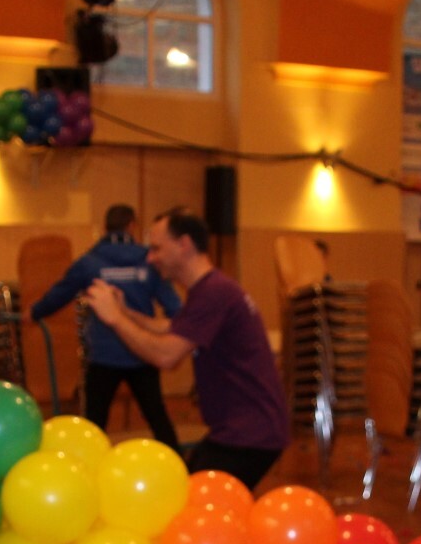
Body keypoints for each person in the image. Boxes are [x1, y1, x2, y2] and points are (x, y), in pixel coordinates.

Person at [84, 208, 289, 490]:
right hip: (242, 431)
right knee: (189, 492)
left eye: (157, 248)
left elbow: (165, 355)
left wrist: (115, 320)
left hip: (250, 436)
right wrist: (125, 312)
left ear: (184, 245)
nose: (150, 258)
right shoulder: (209, 289)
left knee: (195, 503)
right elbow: (170, 328)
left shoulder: (213, 292)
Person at [27, 204, 181, 448]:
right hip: (142, 352)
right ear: (132, 226)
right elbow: (175, 308)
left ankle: (89, 466)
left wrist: (34, 313)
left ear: (105, 228)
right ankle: (178, 463)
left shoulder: (89, 262)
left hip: (103, 355)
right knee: (157, 416)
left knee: (94, 424)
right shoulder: (148, 262)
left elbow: (60, 294)